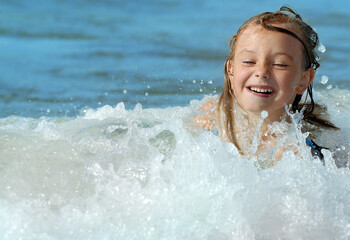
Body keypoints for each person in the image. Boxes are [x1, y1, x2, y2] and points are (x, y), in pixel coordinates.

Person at [194, 6, 339, 166]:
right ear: (231, 71)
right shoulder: (211, 114)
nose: (261, 72)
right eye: (249, 61)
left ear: (303, 80)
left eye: (279, 64)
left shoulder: (294, 153)